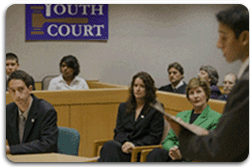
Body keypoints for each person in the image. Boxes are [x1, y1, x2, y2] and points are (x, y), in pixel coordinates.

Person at [167, 5, 249, 162]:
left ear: (244, 38)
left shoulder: (246, 84)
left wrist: (184, 135)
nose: (218, 44)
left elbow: (221, 149)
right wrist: (207, 134)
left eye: (224, 37)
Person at [146, 77, 222, 162]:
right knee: (156, 153)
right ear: (188, 97)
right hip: (174, 156)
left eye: (199, 92)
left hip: (191, 159)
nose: (195, 96)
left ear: (207, 94)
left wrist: (182, 154)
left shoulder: (216, 118)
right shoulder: (181, 115)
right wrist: (172, 149)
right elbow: (168, 140)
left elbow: (209, 148)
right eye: (191, 93)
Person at [98, 71, 164, 162]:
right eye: (135, 85)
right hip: (123, 148)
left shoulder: (156, 110)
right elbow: (119, 131)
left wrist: (134, 145)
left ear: (148, 89)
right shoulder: (123, 107)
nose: (138, 89)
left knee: (107, 154)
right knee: (110, 146)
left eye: (142, 86)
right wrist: (125, 143)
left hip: (140, 152)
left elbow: (154, 136)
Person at [6, 70, 58, 154]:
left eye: (21, 89)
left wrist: (11, 149)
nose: (17, 95)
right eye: (13, 91)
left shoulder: (46, 111)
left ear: (30, 89)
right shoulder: (8, 110)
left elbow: (48, 144)